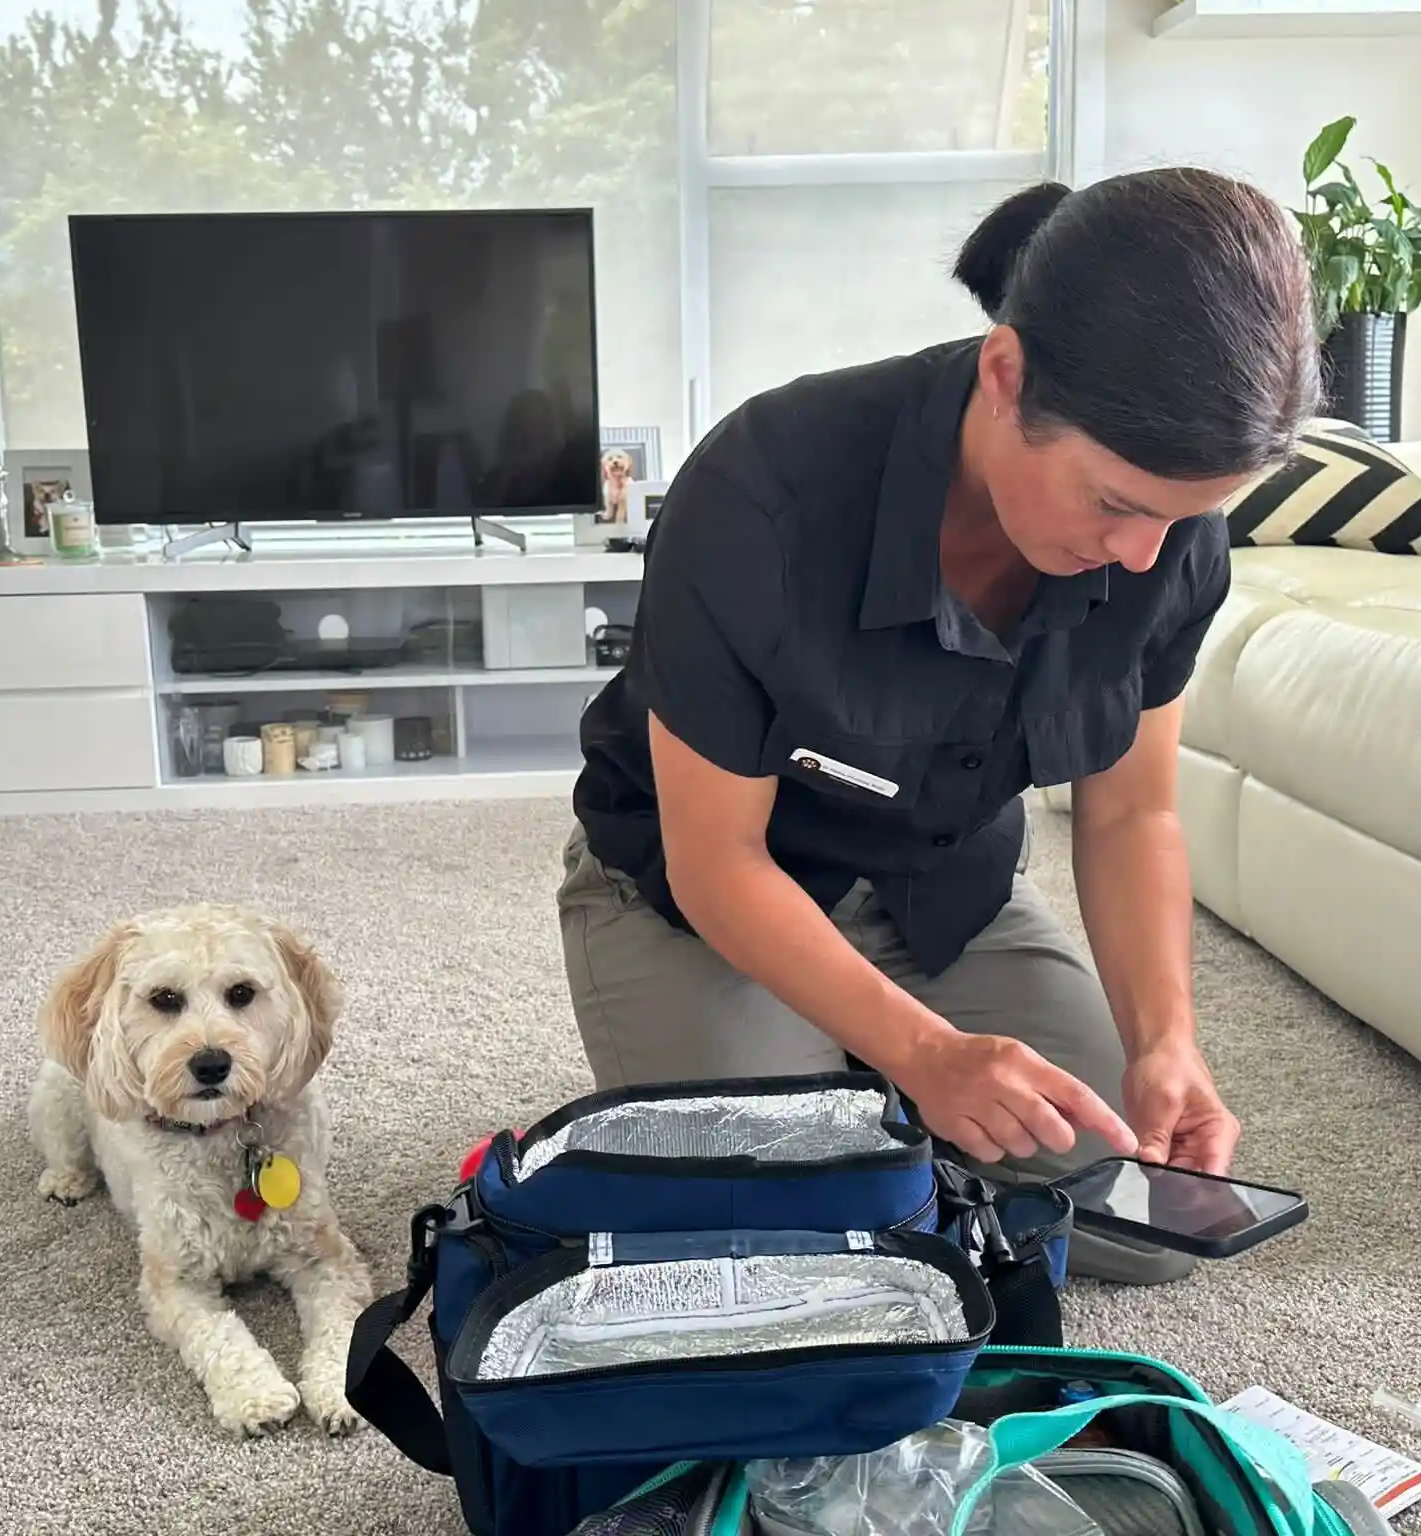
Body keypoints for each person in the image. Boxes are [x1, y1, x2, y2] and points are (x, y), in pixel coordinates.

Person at [557, 169, 1320, 1285]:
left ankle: (871, 1095)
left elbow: (1131, 812)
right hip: (696, 892)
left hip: (938, 886)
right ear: (1004, 376)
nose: (1144, 556)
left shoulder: (1166, 543)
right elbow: (715, 860)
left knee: (1140, 1228)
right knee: (798, 1243)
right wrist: (923, 1055)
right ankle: (847, 1094)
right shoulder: (759, 495)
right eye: (1114, 503)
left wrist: (1166, 1043)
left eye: (1184, 518)